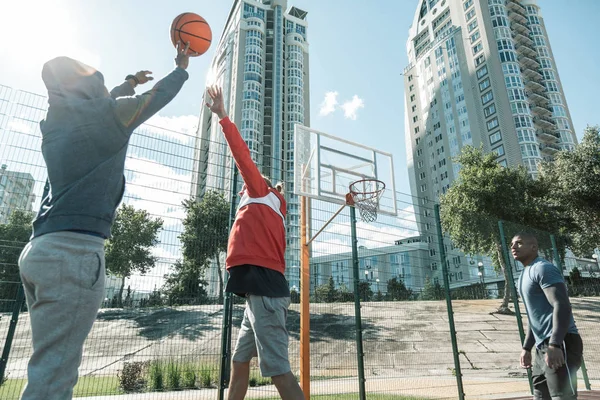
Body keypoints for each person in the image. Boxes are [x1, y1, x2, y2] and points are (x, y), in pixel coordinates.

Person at [17, 41, 195, 399]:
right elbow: (157, 97)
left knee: (47, 367)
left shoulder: (55, 122)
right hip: (75, 255)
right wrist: (181, 68)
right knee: (53, 379)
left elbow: (99, 106)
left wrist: (128, 83)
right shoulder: (107, 117)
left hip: (39, 252)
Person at [205, 85, 304, 400]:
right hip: (258, 295)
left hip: (264, 294)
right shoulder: (273, 211)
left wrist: (222, 115)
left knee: (279, 373)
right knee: (238, 362)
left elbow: (242, 156)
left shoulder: (260, 192)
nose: (243, 192)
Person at [512, 232, 583, 400]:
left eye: (519, 243)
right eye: (512, 244)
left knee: (562, 397)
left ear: (534, 247)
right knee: (539, 395)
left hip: (561, 341)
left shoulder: (543, 268)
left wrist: (555, 344)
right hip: (541, 346)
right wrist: (526, 347)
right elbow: (533, 316)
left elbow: (562, 305)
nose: (514, 247)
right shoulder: (522, 277)